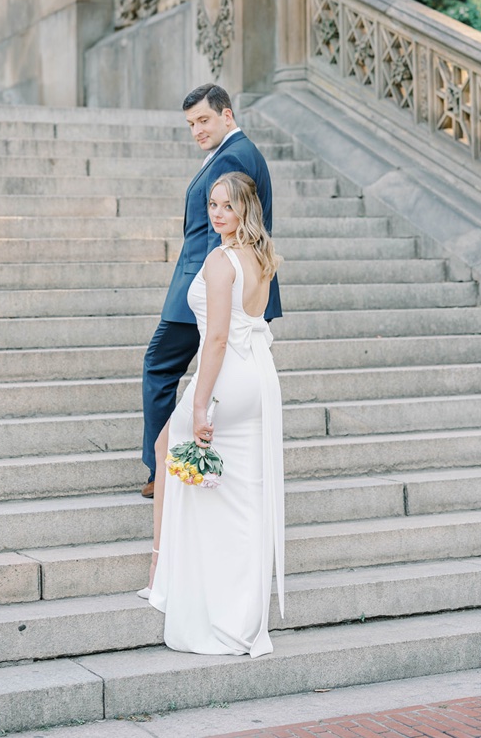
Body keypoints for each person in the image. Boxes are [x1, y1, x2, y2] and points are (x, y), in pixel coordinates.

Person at [143, 171, 286, 656]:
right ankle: (240, 611)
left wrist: (200, 402)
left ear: (246, 209)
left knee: (189, 464)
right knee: (242, 493)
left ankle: (178, 580)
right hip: (258, 378)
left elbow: (219, 339)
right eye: (212, 205)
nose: (217, 214)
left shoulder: (221, 260)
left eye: (227, 206)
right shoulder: (263, 257)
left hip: (227, 378)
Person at [140, 83, 281, 499]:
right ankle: (197, 461)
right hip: (230, 284)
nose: (197, 130)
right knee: (214, 379)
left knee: (160, 368)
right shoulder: (235, 152)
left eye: (204, 120)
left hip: (209, 289)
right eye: (190, 124)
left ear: (228, 116)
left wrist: (203, 292)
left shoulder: (235, 156)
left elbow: (222, 227)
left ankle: (160, 470)